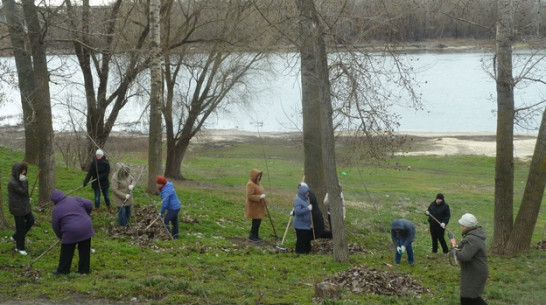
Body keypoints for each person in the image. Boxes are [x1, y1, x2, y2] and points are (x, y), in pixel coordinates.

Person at [51, 189, 95, 275]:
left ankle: (63, 270)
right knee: (84, 250)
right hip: (86, 227)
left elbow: (55, 226)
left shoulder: (56, 210)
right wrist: (87, 213)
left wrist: (61, 236)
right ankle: (84, 270)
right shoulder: (75, 199)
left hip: (71, 231)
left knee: (66, 251)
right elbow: (89, 203)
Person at [451, 213, 489, 305]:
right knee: (470, 297)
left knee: (468, 298)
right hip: (473, 271)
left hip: (475, 273)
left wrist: (454, 251)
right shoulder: (473, 236)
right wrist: (458, 246)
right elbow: (467, 248)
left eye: (462, 225)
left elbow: (464, 257)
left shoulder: (472, 239)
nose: (461, 227)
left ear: (466, 226)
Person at [8, 162, 35, 256]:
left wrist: (27, 199)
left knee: (31, 220)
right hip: (17, 208)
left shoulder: (19, 179)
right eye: (22, 170)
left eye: (25, 170)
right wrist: (23, 181)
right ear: (17, 171)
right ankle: (20, 247)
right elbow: (23, 191)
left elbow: (24, 193)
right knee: (20, 228)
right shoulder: (13, 182)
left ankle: (16, 236)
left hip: (24, 206)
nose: (24, 172)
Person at [83, 149, 112, 213]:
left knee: (106, 196)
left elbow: (107, 172)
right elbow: (90, 173)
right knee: (97, 197)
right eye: (97, 155)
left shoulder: (106, 162)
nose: (98, 156)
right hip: (96, 182)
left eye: (99, 155)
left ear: (102, 155)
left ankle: (109, 207)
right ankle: (96, 209)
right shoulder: (93, 163)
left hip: (104, 182)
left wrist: (100, 177)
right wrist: (86, 181)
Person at [244, 169, 266, 242]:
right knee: (255, 222)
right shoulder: (250, 184)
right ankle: (252, 236)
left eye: (260, 176)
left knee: (258, 221)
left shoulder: (258, 183)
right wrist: (259, 197)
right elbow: (249, 196)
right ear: (254, 176)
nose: (259, 177)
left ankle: (256, 235)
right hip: (254, 207)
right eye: (258, 175)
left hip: (259, 207)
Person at [293, 183, 313, 254]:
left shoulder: (306, 200)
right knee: (301, 240)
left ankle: (306, 252)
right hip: (300, 225)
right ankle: (299, 252)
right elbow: (297, 212)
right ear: (303, 193)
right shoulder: (298, 200)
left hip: (306, 225)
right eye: (307, 193)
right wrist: (307, 209)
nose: (308, 194)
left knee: (306, 239)